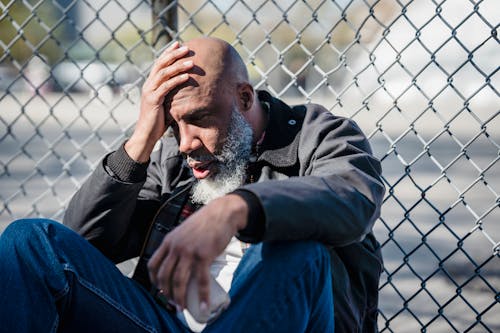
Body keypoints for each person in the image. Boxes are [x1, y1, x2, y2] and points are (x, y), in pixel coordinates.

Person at [0, 37, 385, 332]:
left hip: (267, 316)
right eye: (172, 125)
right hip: (163, 323)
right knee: (30, 241)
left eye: (199, 119)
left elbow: (353, 197)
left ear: (245, 97)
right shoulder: (172, 156)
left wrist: (235, 209)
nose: (185, 143)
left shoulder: (317, 135)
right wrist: (140, 142)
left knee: (298, 252)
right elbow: (85, 244)